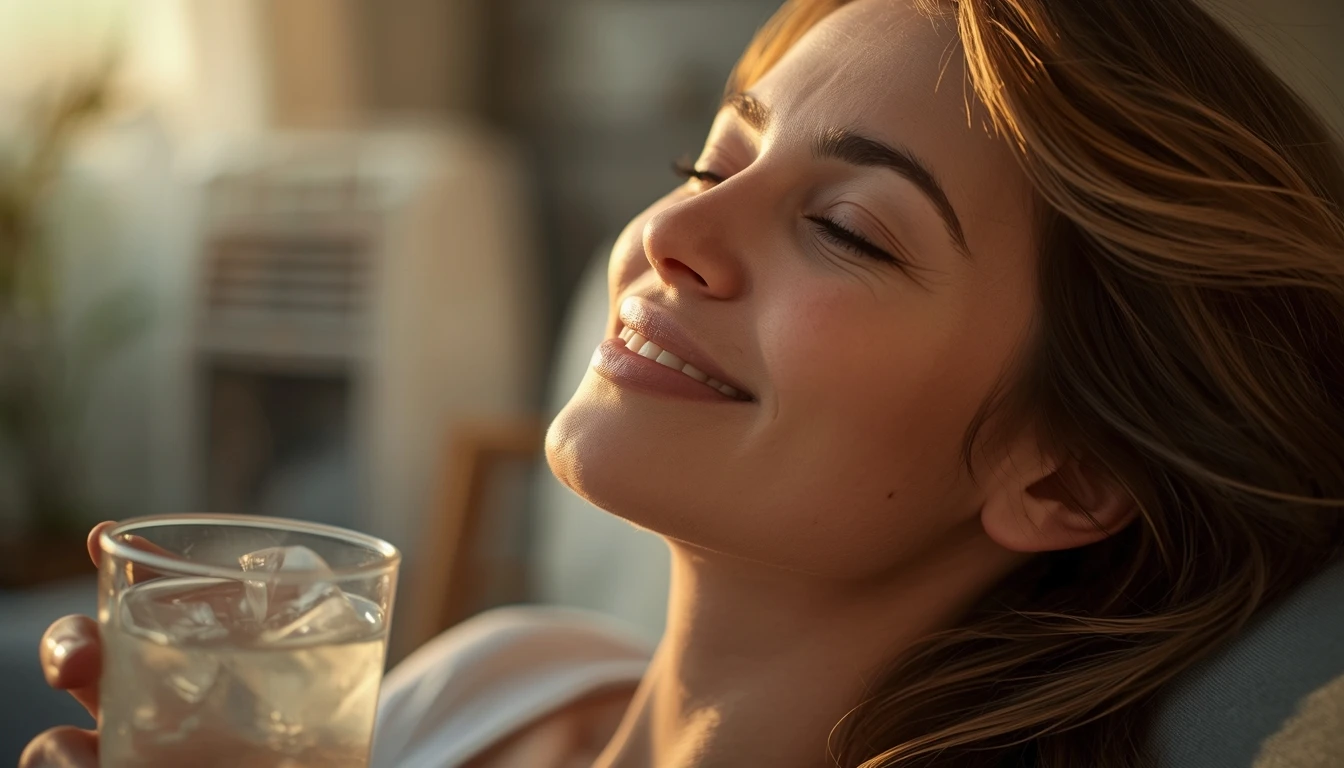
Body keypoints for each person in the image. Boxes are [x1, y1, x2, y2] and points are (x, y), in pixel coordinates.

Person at [23, 0, 1344, 765]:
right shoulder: (502, 682)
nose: (667, 236)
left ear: (1067, 473)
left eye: (850, 229)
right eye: (714, 165)